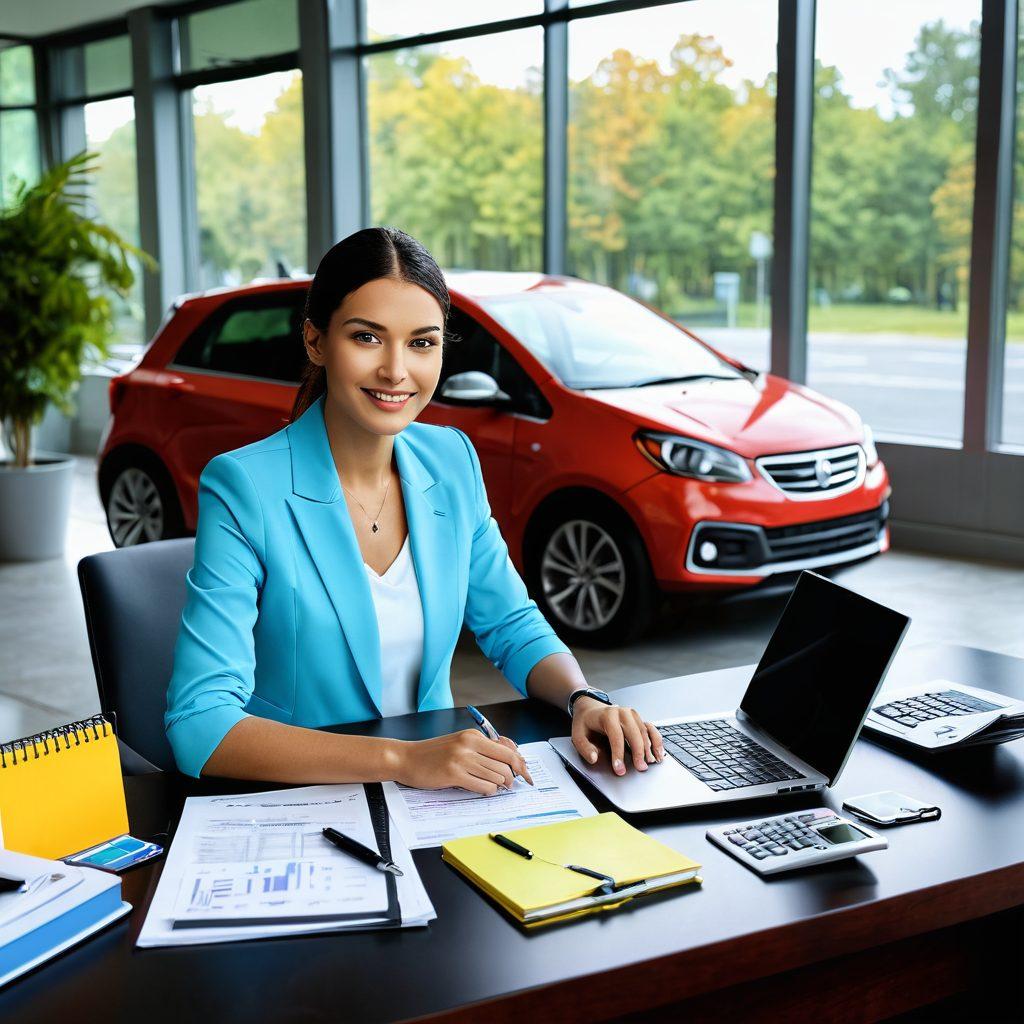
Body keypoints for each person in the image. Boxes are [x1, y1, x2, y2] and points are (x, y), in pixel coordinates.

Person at [165, 226, 664, 793]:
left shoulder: (451, 460)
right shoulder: (244, 485)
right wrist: (402, 760)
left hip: (433, 800)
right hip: (305, 800)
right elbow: (199, 725)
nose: (397, 371)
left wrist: (582, 699)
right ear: (315, 341)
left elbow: (510, 623)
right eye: (367, 338)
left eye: (422, 343)